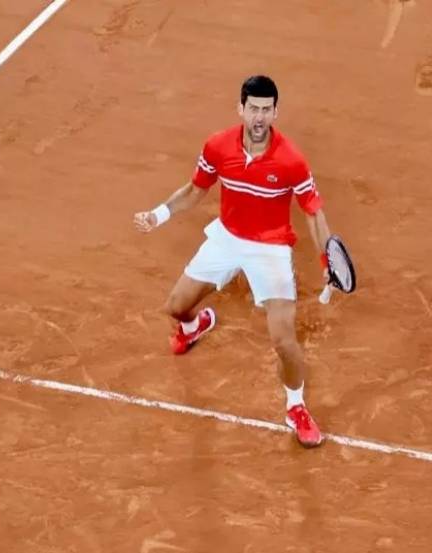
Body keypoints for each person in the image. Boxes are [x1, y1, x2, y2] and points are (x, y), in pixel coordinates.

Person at [133, 75, 336, 448]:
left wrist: (327, 257)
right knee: (176, 307)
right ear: (240, 109)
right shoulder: (217, 146)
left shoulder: (291, 161)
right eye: (253, 108)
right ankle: (196, 325)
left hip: (270, 248)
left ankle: (296, 406)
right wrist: (158, 215)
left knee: (284, 340)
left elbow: (313, 212)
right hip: (227, 238)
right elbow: (195, 190)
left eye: (266, 109)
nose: (259, 116)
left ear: (275, 112)